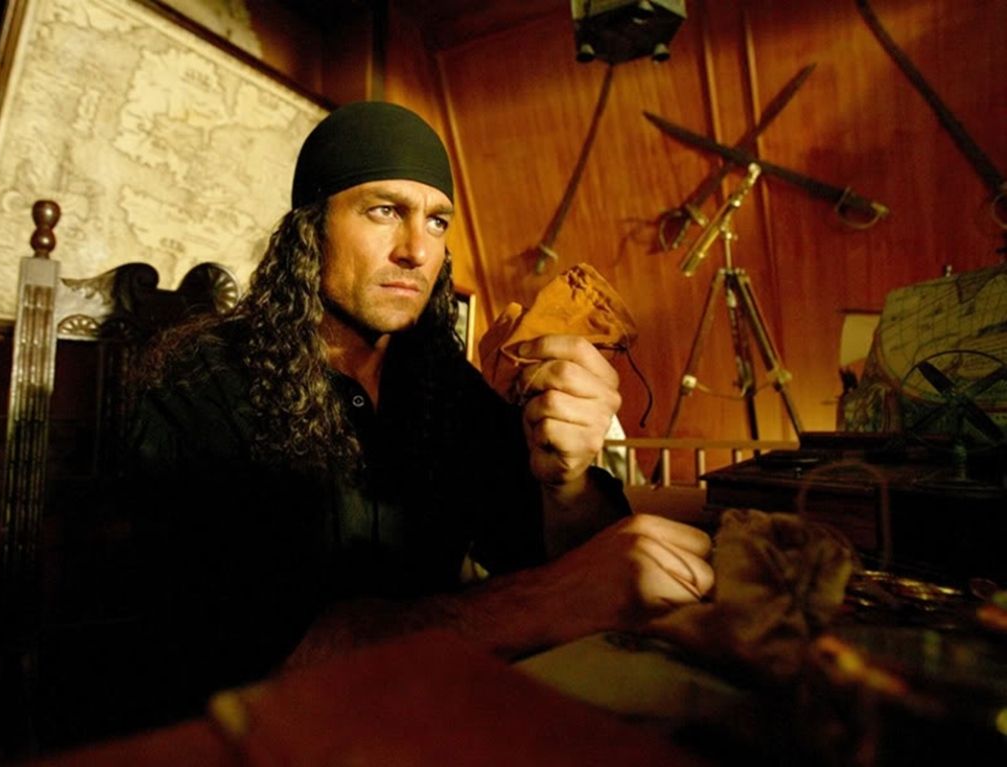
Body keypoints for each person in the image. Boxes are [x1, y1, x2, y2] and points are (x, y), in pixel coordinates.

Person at [121, 101, 714, 728]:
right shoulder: (199, 386)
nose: (416, 250)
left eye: (436, 221)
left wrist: (566, 481)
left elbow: (552, 557)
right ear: (309, 230)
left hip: (434, 719)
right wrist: (547, 599)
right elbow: (246, 655)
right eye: (384, 211)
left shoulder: (442, 385)